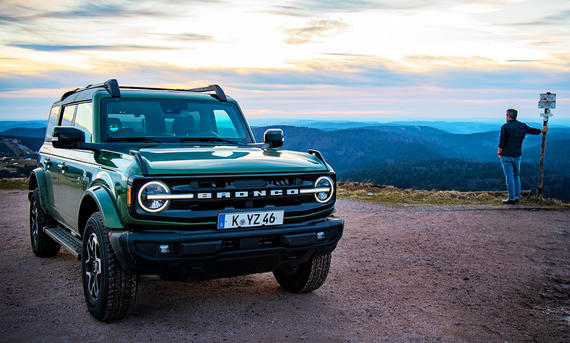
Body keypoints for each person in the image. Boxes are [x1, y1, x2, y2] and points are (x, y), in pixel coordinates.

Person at [498, 108, 548, 204]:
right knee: (516, 176)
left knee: (509, 177)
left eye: (506, 115)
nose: (506, 117)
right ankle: (517, 197)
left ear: (508, 116)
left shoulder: (505, 127)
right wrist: (542, 130)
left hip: (506, 155)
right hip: (517, 155)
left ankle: (511, 198)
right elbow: (532, 131)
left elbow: (502, 143)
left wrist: (499, 153)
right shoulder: (522, 126)